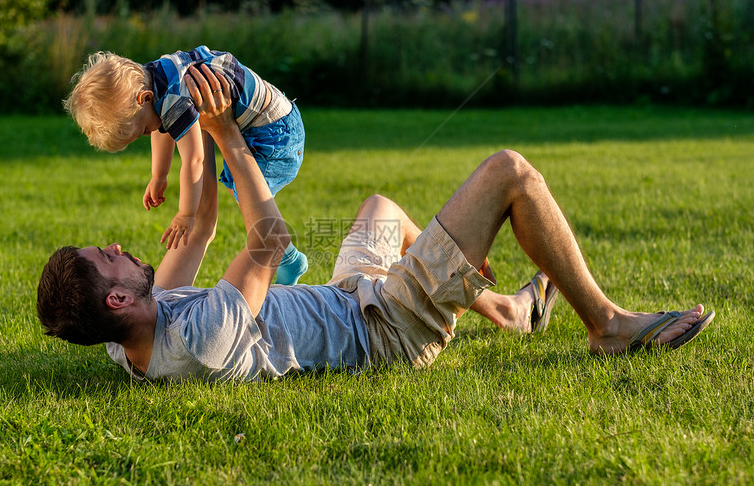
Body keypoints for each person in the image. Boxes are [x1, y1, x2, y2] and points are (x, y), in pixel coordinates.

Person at [38, 65, 715, 382]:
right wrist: (230, 138)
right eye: (110, 255)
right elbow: (267, 242)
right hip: (383, 330)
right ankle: (608, 326)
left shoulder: (127, 337)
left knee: (380, 209)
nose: (120, 244)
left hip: (348, 298)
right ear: (118, 297)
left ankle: (508, 310)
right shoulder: (201, 338)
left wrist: (204, 132)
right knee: (508, 170)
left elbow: (206, 226)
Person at [63, 46, 308, 285]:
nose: (149, 134)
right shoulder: (156, 79)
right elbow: (164, 126)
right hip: (274, 121)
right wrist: (158, 175)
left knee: (246, 192)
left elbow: (194, 160)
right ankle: (287, 257)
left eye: (143, 130)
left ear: (144, 99)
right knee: (242, 187)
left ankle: (288, 259)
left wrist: (186, 214)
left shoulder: (174, 99)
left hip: (276, 135)